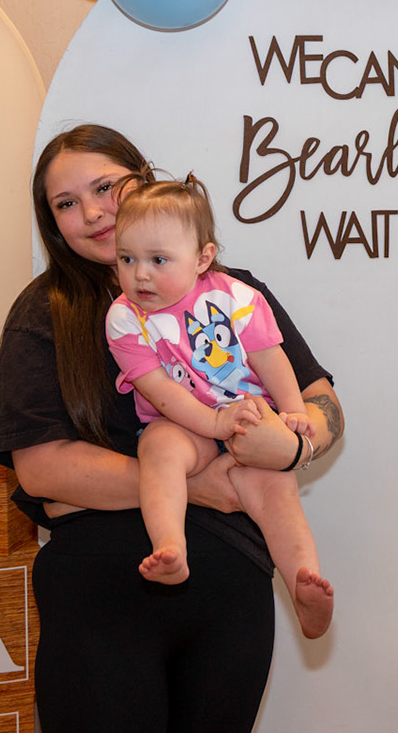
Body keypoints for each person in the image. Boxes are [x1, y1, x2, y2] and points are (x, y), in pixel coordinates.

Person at [0, 124, 343, 733]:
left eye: (105, 187)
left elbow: (317, 398)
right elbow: (42, 470)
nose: (91, 211)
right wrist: (198, 485)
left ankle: (302, 578)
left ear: (144, 180)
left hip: (230, 599)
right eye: (65, 203)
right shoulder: (45, 312)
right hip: (103, 602)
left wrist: (297, 443)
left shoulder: (231, 292)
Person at [106, 175, 334, 638]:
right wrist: (213, 422)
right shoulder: (125, 318)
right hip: (182, 422)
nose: (140, 274)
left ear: (202, 258)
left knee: (276, 492)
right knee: (158, 450)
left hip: (250, 418)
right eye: (127, 259)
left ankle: (304, 584)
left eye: (158, 260)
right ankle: (171, 547)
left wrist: (292, 412)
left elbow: (271, 358)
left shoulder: (236, 297)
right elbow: (160, 392)